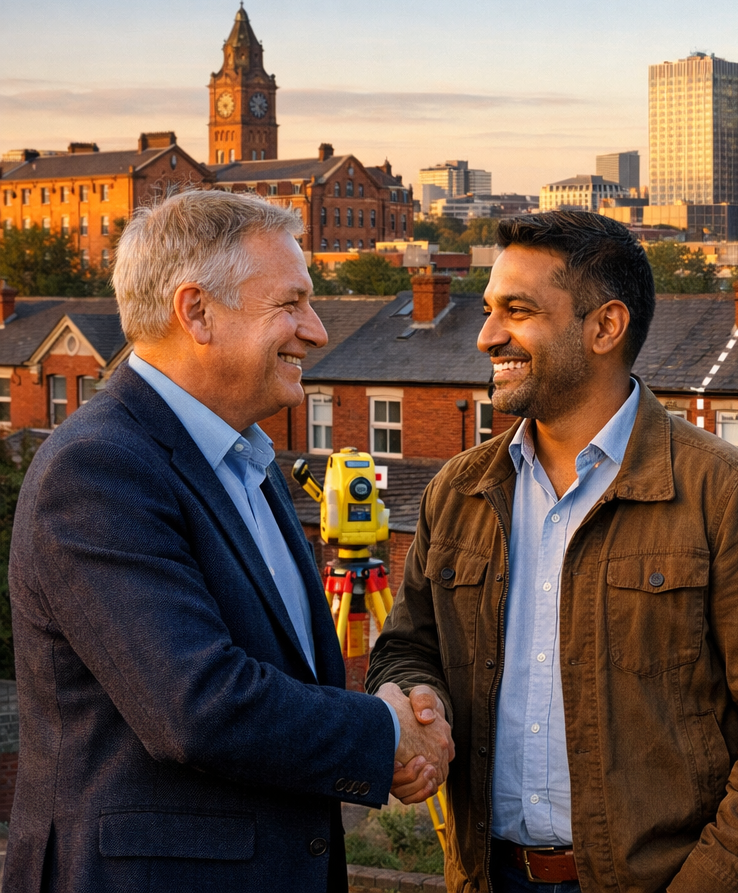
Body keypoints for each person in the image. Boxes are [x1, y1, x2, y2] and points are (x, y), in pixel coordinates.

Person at [367, 211, 738, 893]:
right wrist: (418, 700)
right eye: (488, 310)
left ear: (604, 327)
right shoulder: (459, 490)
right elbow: (409, 647)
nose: (487, 335)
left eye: (518, 311)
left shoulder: (725, 493)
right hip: (487, 877)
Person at [4, 191, 453, 893]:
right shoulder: (99, 470)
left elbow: (293, 673)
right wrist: (386, 732)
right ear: (197, 312)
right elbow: (199, 704)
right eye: (291, 304)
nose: (315, 330)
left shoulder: (247, 459)